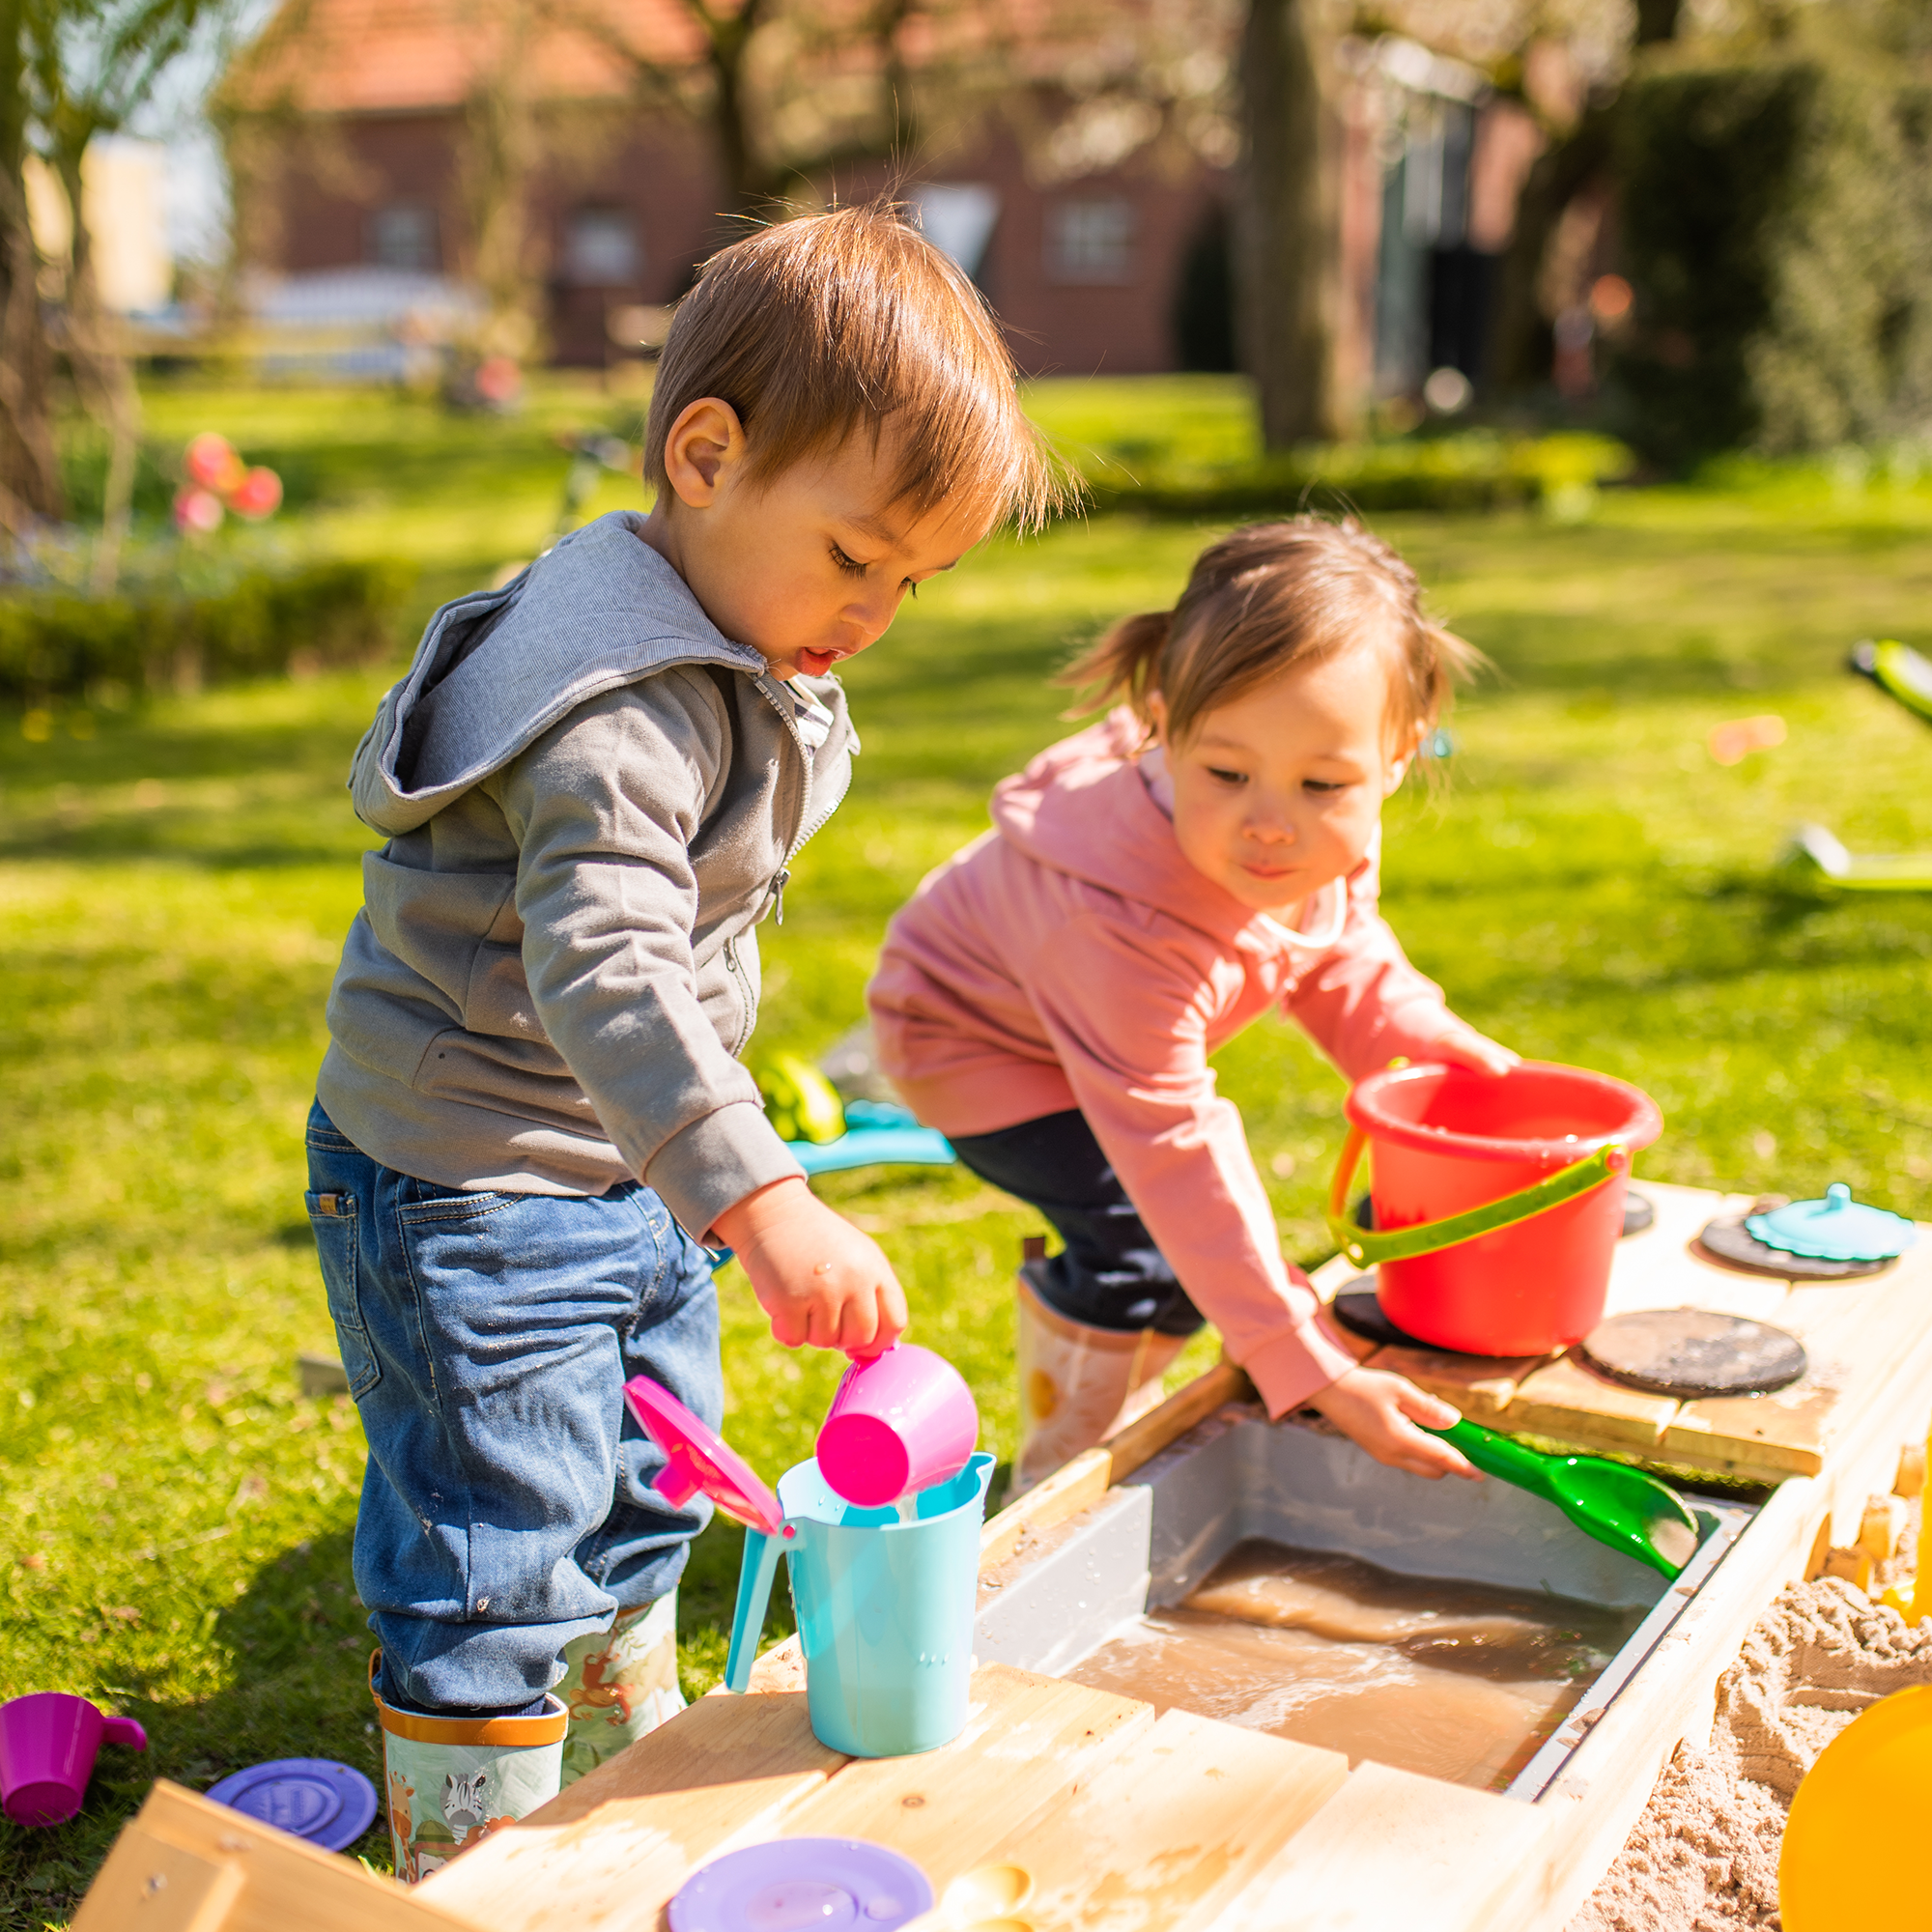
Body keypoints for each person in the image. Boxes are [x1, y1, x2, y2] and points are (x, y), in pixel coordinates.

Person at [304, 203, 1061, 1879]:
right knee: (501, 1549)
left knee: (655, 1478)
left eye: (912, 583)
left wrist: (703, 1189)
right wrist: (763, 1195)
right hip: (475, 1184)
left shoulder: (726, 633)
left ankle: (611, 1770)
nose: (874, 613)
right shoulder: (622, 702)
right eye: (857, 555)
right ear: (704, 455)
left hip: (626, 1171)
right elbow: (610, 965)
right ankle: (484, 1869)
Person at [867, 516, 1516, 1498]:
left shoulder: (1322, 836)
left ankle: (1135, 1399)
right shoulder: (1115, 923)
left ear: (1397, 753)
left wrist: (1421, 1044)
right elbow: (1175, 1147)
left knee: (1176, 1263)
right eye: (1224, 772)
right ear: (1163, 726)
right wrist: (1304, 1356)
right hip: (973, 1042)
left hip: (1087, 1030)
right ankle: (1057, 1480)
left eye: (1321, 782)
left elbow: (1337, 950)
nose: (1270, 820)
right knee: (1142, 1243)